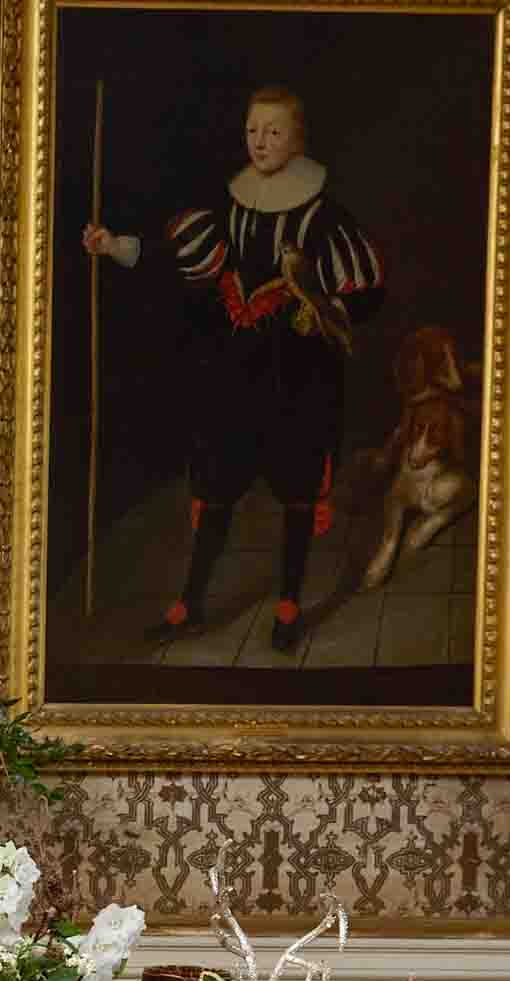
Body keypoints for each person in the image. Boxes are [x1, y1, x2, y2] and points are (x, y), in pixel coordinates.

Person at [84, 86, 383, 651]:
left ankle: (290, 603)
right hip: (234, 372)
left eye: (274, 131)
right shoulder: (229, 204)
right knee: (217, 486)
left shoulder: (325, 213)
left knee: (297, 488)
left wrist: (323, 311)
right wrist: (113, 246)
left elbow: (364, 287)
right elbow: (176, 257)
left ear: (298, 139)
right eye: (253, 130)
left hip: (299, 375)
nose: (261, 141)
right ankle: (190, 603)